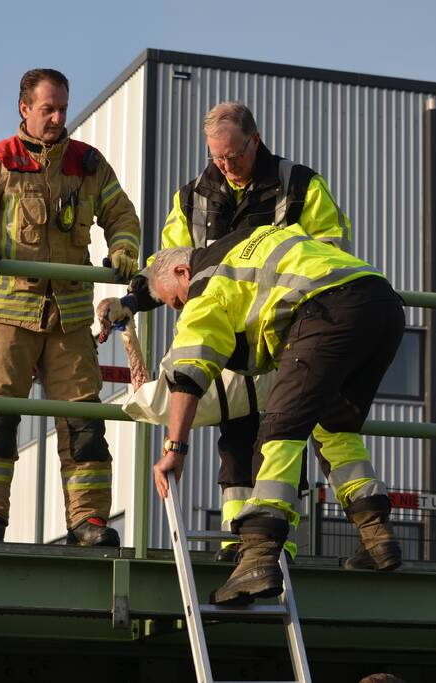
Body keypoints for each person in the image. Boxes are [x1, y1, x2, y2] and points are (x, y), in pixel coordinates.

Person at [102, 101, 351, 562]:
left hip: (283, 333)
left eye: (233, 155)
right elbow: (170, 269)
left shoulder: (299, 185)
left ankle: (277, 542)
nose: (226, 165)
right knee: (235, 437)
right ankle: (240, 536)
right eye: (217, 157)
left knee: (279, 431)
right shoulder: (192, 196)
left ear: (254, 140)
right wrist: (132, 301)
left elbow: (330, 254)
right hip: (222, 336)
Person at [147, 224, 404, 606]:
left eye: (175, 301)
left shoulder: (206, 282)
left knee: (278, 433)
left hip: (326, 310)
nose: (180, 309)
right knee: (333, 427)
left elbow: (188, 368)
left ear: (183, 273)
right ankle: (377, 536)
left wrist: (175, 447)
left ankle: (258, 556)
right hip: (381, 304)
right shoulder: (249, 240)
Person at [0, 68, 141, 545]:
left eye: (63, 109)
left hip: (69, 319)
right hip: (6, 318)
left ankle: (88, 523)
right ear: (24, 109)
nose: (56, 118)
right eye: (47, 109)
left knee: (85, 426)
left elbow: (122, 217)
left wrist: (125, 250)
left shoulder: (88, 164)